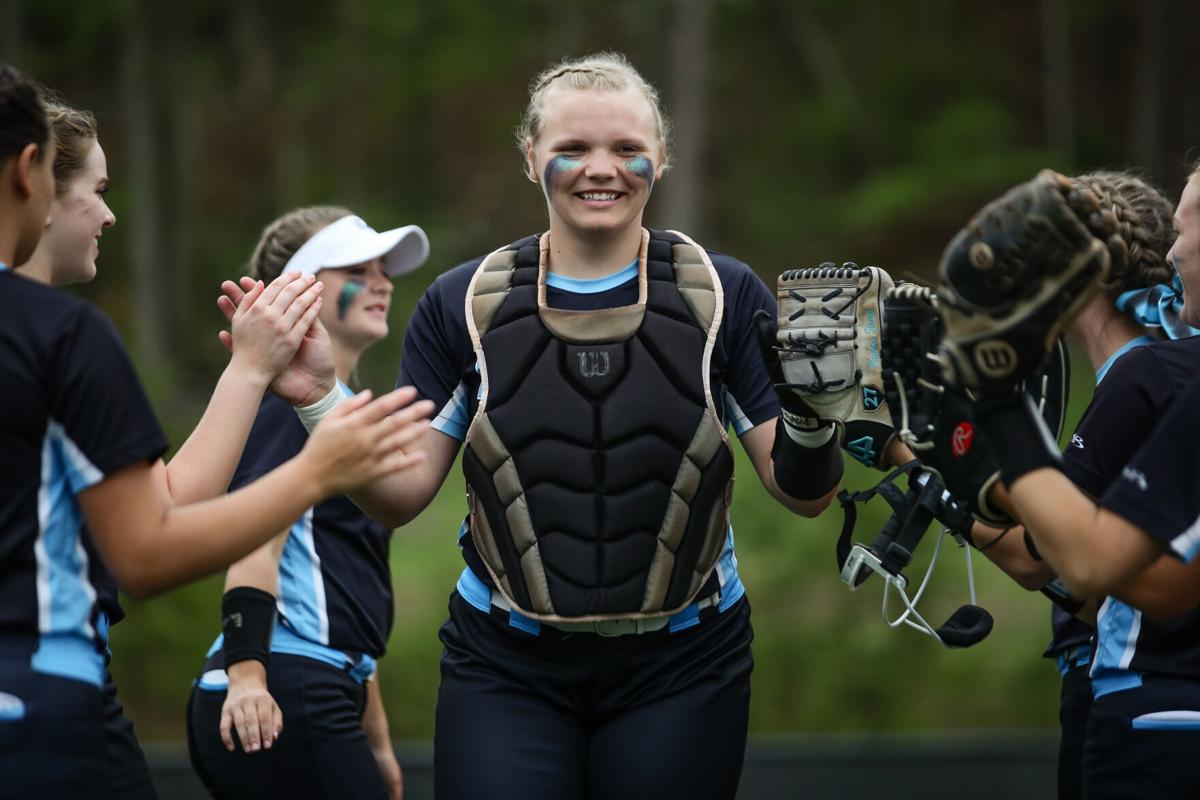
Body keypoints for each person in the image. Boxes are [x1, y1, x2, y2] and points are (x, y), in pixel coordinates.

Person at [259, 52, 844, 799]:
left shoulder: (720, 293)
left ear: (660, 158)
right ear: (531, 157)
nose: (602, 168)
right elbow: (400, 494)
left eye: (627, 148)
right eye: (573, 148)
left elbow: (803, 492)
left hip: (685, 660)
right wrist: (316, 394)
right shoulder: (462, 303)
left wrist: (816, 415)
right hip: (507, 662)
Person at [0, 65, 432, 797]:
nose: (110, 215)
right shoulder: (63, 337)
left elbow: (165, 498)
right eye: (100, 192)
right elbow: (153, 544)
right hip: (44, 695)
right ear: (30, 169)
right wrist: (317, 471)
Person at [961, 163, 1200, 799]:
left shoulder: (1142, 376)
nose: (1176, 251)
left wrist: (945, 452)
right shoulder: (1174, 372)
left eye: (1188, 227)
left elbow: (1059, 561)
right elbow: (1164, 583)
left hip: (1149, 704)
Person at [187, 206, 429, 800]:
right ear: (300, 290)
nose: (383, 282)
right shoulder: (284, 402)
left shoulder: (337, 410)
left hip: (320, 683)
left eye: (383, 270)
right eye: (358, 269)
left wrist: (375, 741)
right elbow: (253, 543)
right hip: (276, 685)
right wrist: (247, 677)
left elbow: (347, 586)